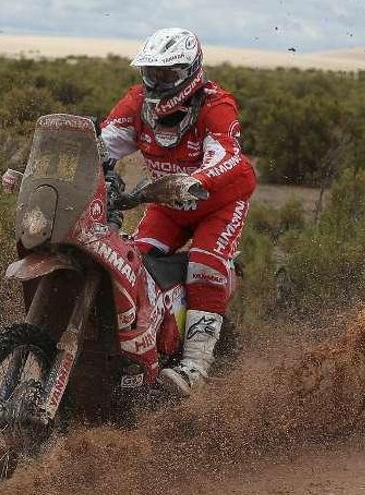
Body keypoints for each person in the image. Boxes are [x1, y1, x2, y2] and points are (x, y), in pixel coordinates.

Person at [100, 28, 255, 395]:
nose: (158, 82)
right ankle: (137, 348)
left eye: (167, 74)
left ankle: (195, 367)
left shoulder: (217, 105)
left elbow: (227, 155)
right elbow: (102, 144)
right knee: (130, 263)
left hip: (220, 201)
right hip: (168, 202)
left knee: (204, 264)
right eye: (152, 73)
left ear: (190, 73)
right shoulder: (137, 103)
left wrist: (196, 179)